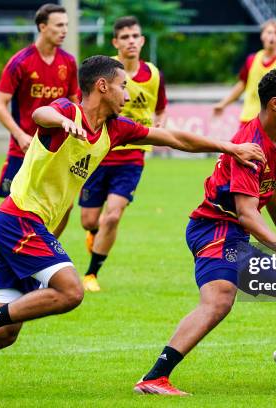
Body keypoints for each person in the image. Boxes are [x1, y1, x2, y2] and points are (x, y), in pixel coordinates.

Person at [0, 55, 265, 390]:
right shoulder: (67, 112)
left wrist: (227, 146)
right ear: (102, 86)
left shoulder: (115, 129)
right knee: (71, 291)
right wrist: (63, 124)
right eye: (122, 87)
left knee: (6, 334)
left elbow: (172, 137)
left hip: (30, 226)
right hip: (18, 220)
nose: (128, 95)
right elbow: (38, 114)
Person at [134, 69, 276, 396]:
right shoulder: (250, 145)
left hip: (233, 235)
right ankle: (154, 378)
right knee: (218, 300)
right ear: (274, 104)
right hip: (214, 229)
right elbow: (245, 214)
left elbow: (273, 186)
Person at [79, 16, 168, 292]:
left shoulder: (153, 75)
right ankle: (95, 233)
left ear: (142, 41)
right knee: (90, 220)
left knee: (113, 215)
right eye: (125, 37)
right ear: (115, 42)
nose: (131, 41)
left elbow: (161, 107)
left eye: (135, 36)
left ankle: (91, 274)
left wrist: (160, 125)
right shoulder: (104, 71)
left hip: (131, 156)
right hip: (99, 151)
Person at [0, 3, 80, 236]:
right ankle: (14, 253)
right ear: (42, 27)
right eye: (59, 25)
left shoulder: (68, 62)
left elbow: (76, 101)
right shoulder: (20, 61)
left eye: (66, 26)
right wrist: (20, 135)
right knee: (14, 209)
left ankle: (47, 249)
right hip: (22, 148)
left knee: (65, 204)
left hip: (55, 149)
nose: (64, 30)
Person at [213, 18, 276, 127]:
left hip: (271, 123)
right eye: (269, 32)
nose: (273, 36)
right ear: (262, 35)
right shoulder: (252, 60)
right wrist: (223, 104)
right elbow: (242, 85)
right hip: (248, 118)